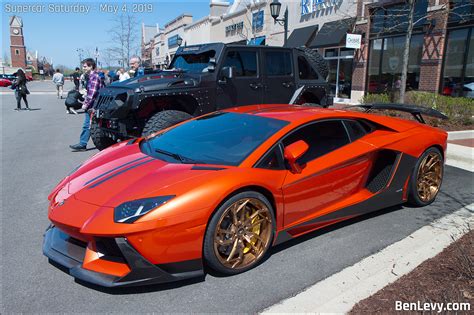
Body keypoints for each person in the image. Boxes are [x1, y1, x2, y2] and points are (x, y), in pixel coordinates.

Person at [69, 58, 104, 151]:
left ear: (91, 66)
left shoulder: (94, 77)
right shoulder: (91, 76)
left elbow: (92, 94)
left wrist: (85, 104)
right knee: (90, 125)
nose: (83, 68)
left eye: (85, 66)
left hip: (94, 105)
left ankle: (83, 144)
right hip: (93, 104)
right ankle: (83, 143)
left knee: (89, 124)